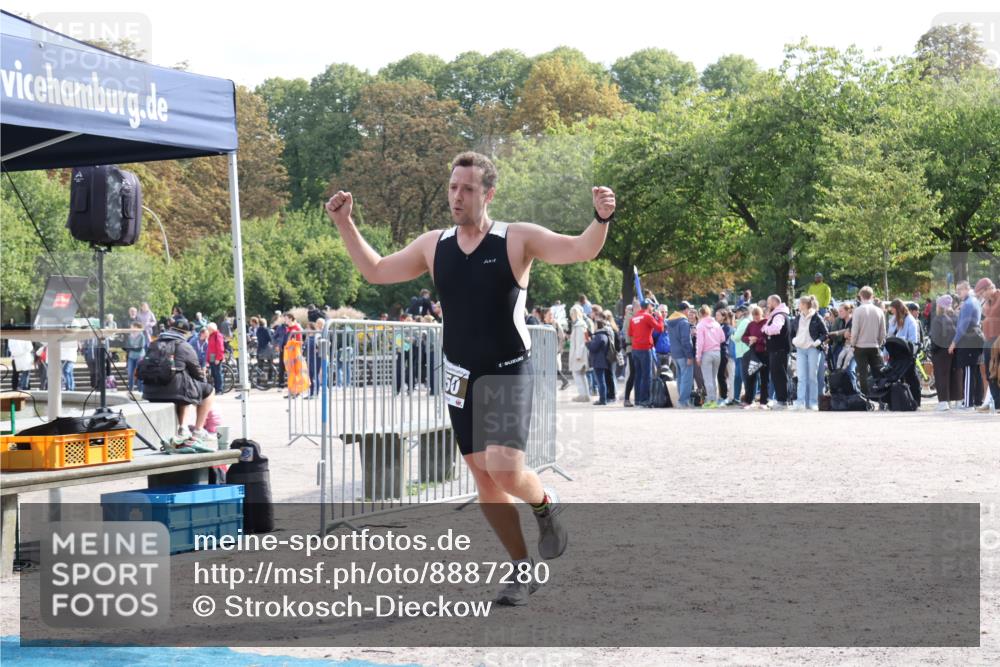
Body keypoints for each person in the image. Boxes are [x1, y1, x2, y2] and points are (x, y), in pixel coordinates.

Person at [327, 151, 604, 605]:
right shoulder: (434, 245)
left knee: (505, 467)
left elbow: (580, 248)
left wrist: (600, 217)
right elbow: (376, 271)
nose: (457, 196)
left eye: (468, 188)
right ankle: (520, 567)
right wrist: (345, 223)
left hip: (508, 370)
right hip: (459, 375)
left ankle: (545, 502)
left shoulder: (516, 240)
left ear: (488, 193)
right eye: (453, 187)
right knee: (485, 480)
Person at [141, 318, 215, 448]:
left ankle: (184, 427)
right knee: (206, 390)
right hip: (175, 392)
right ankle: (197, 430)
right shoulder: (184, 345)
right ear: (186, 333)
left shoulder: (154, 343)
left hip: (149, 391)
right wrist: (204, 381)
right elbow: (197, 372)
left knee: (182, 387)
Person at [949, 280, 985, 411]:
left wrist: (953, 342)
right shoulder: (974, 301)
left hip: (969, 338)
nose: (958, 293)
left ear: (966, 288)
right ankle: (977, 400)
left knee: (968, 370)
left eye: (960, 290)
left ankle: (968, 403)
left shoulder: (968, 304)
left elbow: (962, 327)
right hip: (976, 337)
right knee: (975, 371)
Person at [790, 294, 828, 411]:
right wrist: (793, 340)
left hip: (813, 349)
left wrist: (817, 342)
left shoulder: (817, 317)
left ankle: (813, 402)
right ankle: (800, 402)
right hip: (800, 349)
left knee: (812, 377)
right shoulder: (798, 317)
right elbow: (792, 331)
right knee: (801, 377)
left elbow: (825, 333)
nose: (798, 305)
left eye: (800, 303)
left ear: (805, 305)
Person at [851, 286, 886, 398]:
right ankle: (881, 396)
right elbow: (883, 331)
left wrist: (853, 343)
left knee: (863, 373)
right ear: (872, 296)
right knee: (878, 372)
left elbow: (855, 330)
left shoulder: (858, 311)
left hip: (860, 346)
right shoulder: (879, 311)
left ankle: (865, 397)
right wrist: (879, 343)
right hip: (874, 345)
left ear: (861, 296)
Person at [627, 300, 664, 408]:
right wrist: (660, 317)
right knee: (646, 375)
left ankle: (638, 399)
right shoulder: (648, 316)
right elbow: (660, 328)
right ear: (648, 306)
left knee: (638, 375)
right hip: (645, 349)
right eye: (652, 306)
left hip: (635, 349)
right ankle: (645, 400)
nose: (653, 308)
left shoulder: (633, 318)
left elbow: (630, 333)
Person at [929, 295, 961, 411]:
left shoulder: (938, 319)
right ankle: (958, 400)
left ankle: (943, 402)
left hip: (941, 351)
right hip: (955, 349)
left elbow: (936, 338)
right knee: (956, 375)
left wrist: (933, 350)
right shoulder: (956, 317)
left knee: (941, 376)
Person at [761, 295, 791, 408]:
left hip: (779, 350)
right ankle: (781, 400)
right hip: (777, 350)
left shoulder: (779, 315)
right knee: (777, 375)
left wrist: (765, 330)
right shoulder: (777, 315)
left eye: (769, 303)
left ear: (774, 302)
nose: (768, 305)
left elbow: (775, 329)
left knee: (779, 376)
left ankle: (782, 401)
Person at [975, 278, 1000, 412]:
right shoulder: (986, 303)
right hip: (988, 341)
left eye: (982, 293)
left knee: (998, 372)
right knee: (991, 373)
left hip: (998, 340)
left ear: (989, 289)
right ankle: (997, 404)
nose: (981, 296)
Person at [695, 305, 725, 408]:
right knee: (714, 378)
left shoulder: (700, 325)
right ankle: (714, 400)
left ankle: (710, 400)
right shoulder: (716, 324)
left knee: (707, 379)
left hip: (706, 353)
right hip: (717, 352)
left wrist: (698, 357)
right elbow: (723, 338)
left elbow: (700, 343)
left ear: (700, 314)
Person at [667, 302, 695, 408]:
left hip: (674, 353)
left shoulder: (670, 321)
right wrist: (689, 356)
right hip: (684, 354)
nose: (689, 313)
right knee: (687, 377)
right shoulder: (683, 322)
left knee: (680, 377)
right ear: (685, 310)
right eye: (689, 310)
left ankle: (681, 400)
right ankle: (683, 401)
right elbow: (685, 340)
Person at [741, 305, 770, 409]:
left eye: (757, 316)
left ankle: (764, 401)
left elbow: (768, 338)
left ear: (761, 314)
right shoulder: (751, 324)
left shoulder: (766, 322)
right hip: (754, 353)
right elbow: (743, 337)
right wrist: (749, 338)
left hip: (765, 354)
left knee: (764, 378)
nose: (756, 318)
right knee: (751, 377)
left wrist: (757, 340)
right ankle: (749, 400)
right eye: (754, 316)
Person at [584, 314, 612, 405]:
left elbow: (593, 348)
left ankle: (602, 400)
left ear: (598, 326)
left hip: (599, 361)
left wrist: (587, 342)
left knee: (600, 381)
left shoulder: (600, 336)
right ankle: (603, 399)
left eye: (595, 325)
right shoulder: (603, 335)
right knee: (601, 380)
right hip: (601, 360)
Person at [568, 304, 591, 403]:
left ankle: (583, 394)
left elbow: (580, 342)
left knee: (577, 374)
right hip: (580, 354)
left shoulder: (579, 326)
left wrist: (578, 355)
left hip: (579, 355)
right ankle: (585, 395)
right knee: (581, 374)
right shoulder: (580, 325)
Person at [123, 320, 146, 392]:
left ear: (137, 327)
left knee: (139, 373)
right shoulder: (130, 336)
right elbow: (128, 347)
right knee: (130, 373)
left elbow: (140, 347)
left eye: (132, 327)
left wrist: (133, 348)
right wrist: (133, 347)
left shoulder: (141, 335)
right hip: (131, 357)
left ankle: (140, 390)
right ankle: (130, 389)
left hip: (140, 356)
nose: (131, 328)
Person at [206, 322, 226, 394]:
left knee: (218, 373)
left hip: (216, 356)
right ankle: (217, 389)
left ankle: (220, 389)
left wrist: (218, 358)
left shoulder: (217, 335)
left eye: (208, 329)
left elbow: (220, 347)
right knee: (214, 374)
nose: (207, 330)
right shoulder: (211, 336)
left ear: (212, 329)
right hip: (212, 356)